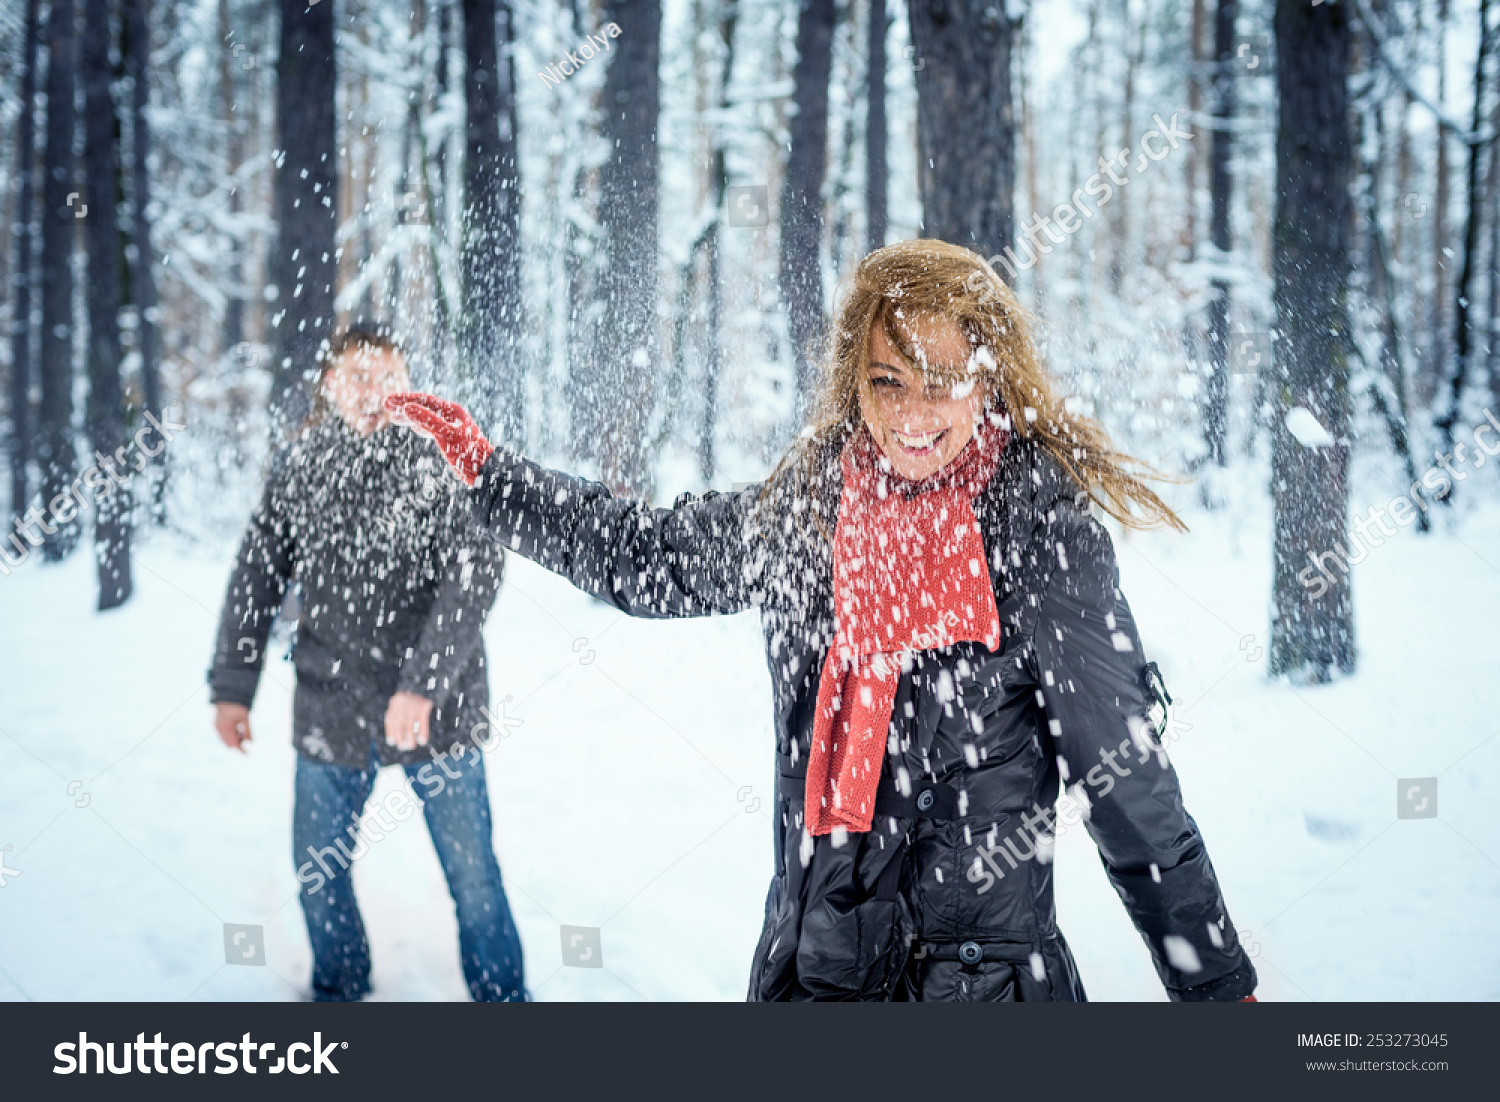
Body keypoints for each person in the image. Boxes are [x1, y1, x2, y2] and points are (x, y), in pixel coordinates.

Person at [387, 239, 1258, 1002]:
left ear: (987, 380)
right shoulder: (809, 512)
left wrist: (1214, 982)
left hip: (981, 986)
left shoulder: (1036, 531)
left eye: (944, 383)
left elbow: (1122, 773)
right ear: (856, 377)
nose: (914, 416)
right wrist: (493, 477)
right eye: (889, 382)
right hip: (819, 970)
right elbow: (646, 555)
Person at [208, 327, 527, 1002]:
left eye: (387, 375)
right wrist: (232, 687)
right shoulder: (302, 467)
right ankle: (341, 987)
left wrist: (422, 687)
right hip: (333, 699)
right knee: (317, 871)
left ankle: (505, 1000)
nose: (372, 390)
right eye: (357, 374)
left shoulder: (441, 459)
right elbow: (255, 579)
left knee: (473, 876)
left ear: (406, 385)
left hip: (438, 707)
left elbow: (473, 579)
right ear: (330, 384)